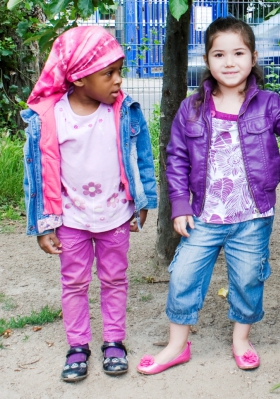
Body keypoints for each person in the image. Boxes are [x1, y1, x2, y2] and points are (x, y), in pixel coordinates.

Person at [136, 17, 280, 375]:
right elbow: (175, 159)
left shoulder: (267, 103)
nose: (230, 62)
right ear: (207, 60)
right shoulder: (192, 108)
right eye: (219, 54)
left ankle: (241, 339)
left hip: (253, 216)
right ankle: (177, 345)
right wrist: (181, 204)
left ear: (253, 58)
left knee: (248, 279)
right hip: (204, 215)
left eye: (238, 53)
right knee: (183, 275)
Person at [22, 26, 157, 382]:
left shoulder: (124, 111)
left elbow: (141, 156)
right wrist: (44, 224)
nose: (118, 81)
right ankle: (77, 346)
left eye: (119, 71)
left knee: (115, 279)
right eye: (108, 73)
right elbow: (39, 175)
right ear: (80, 78)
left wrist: (143, 200)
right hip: (71, 220)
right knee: (74, 283)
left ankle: (114, 341)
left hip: (115, 216)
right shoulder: (51, 119)